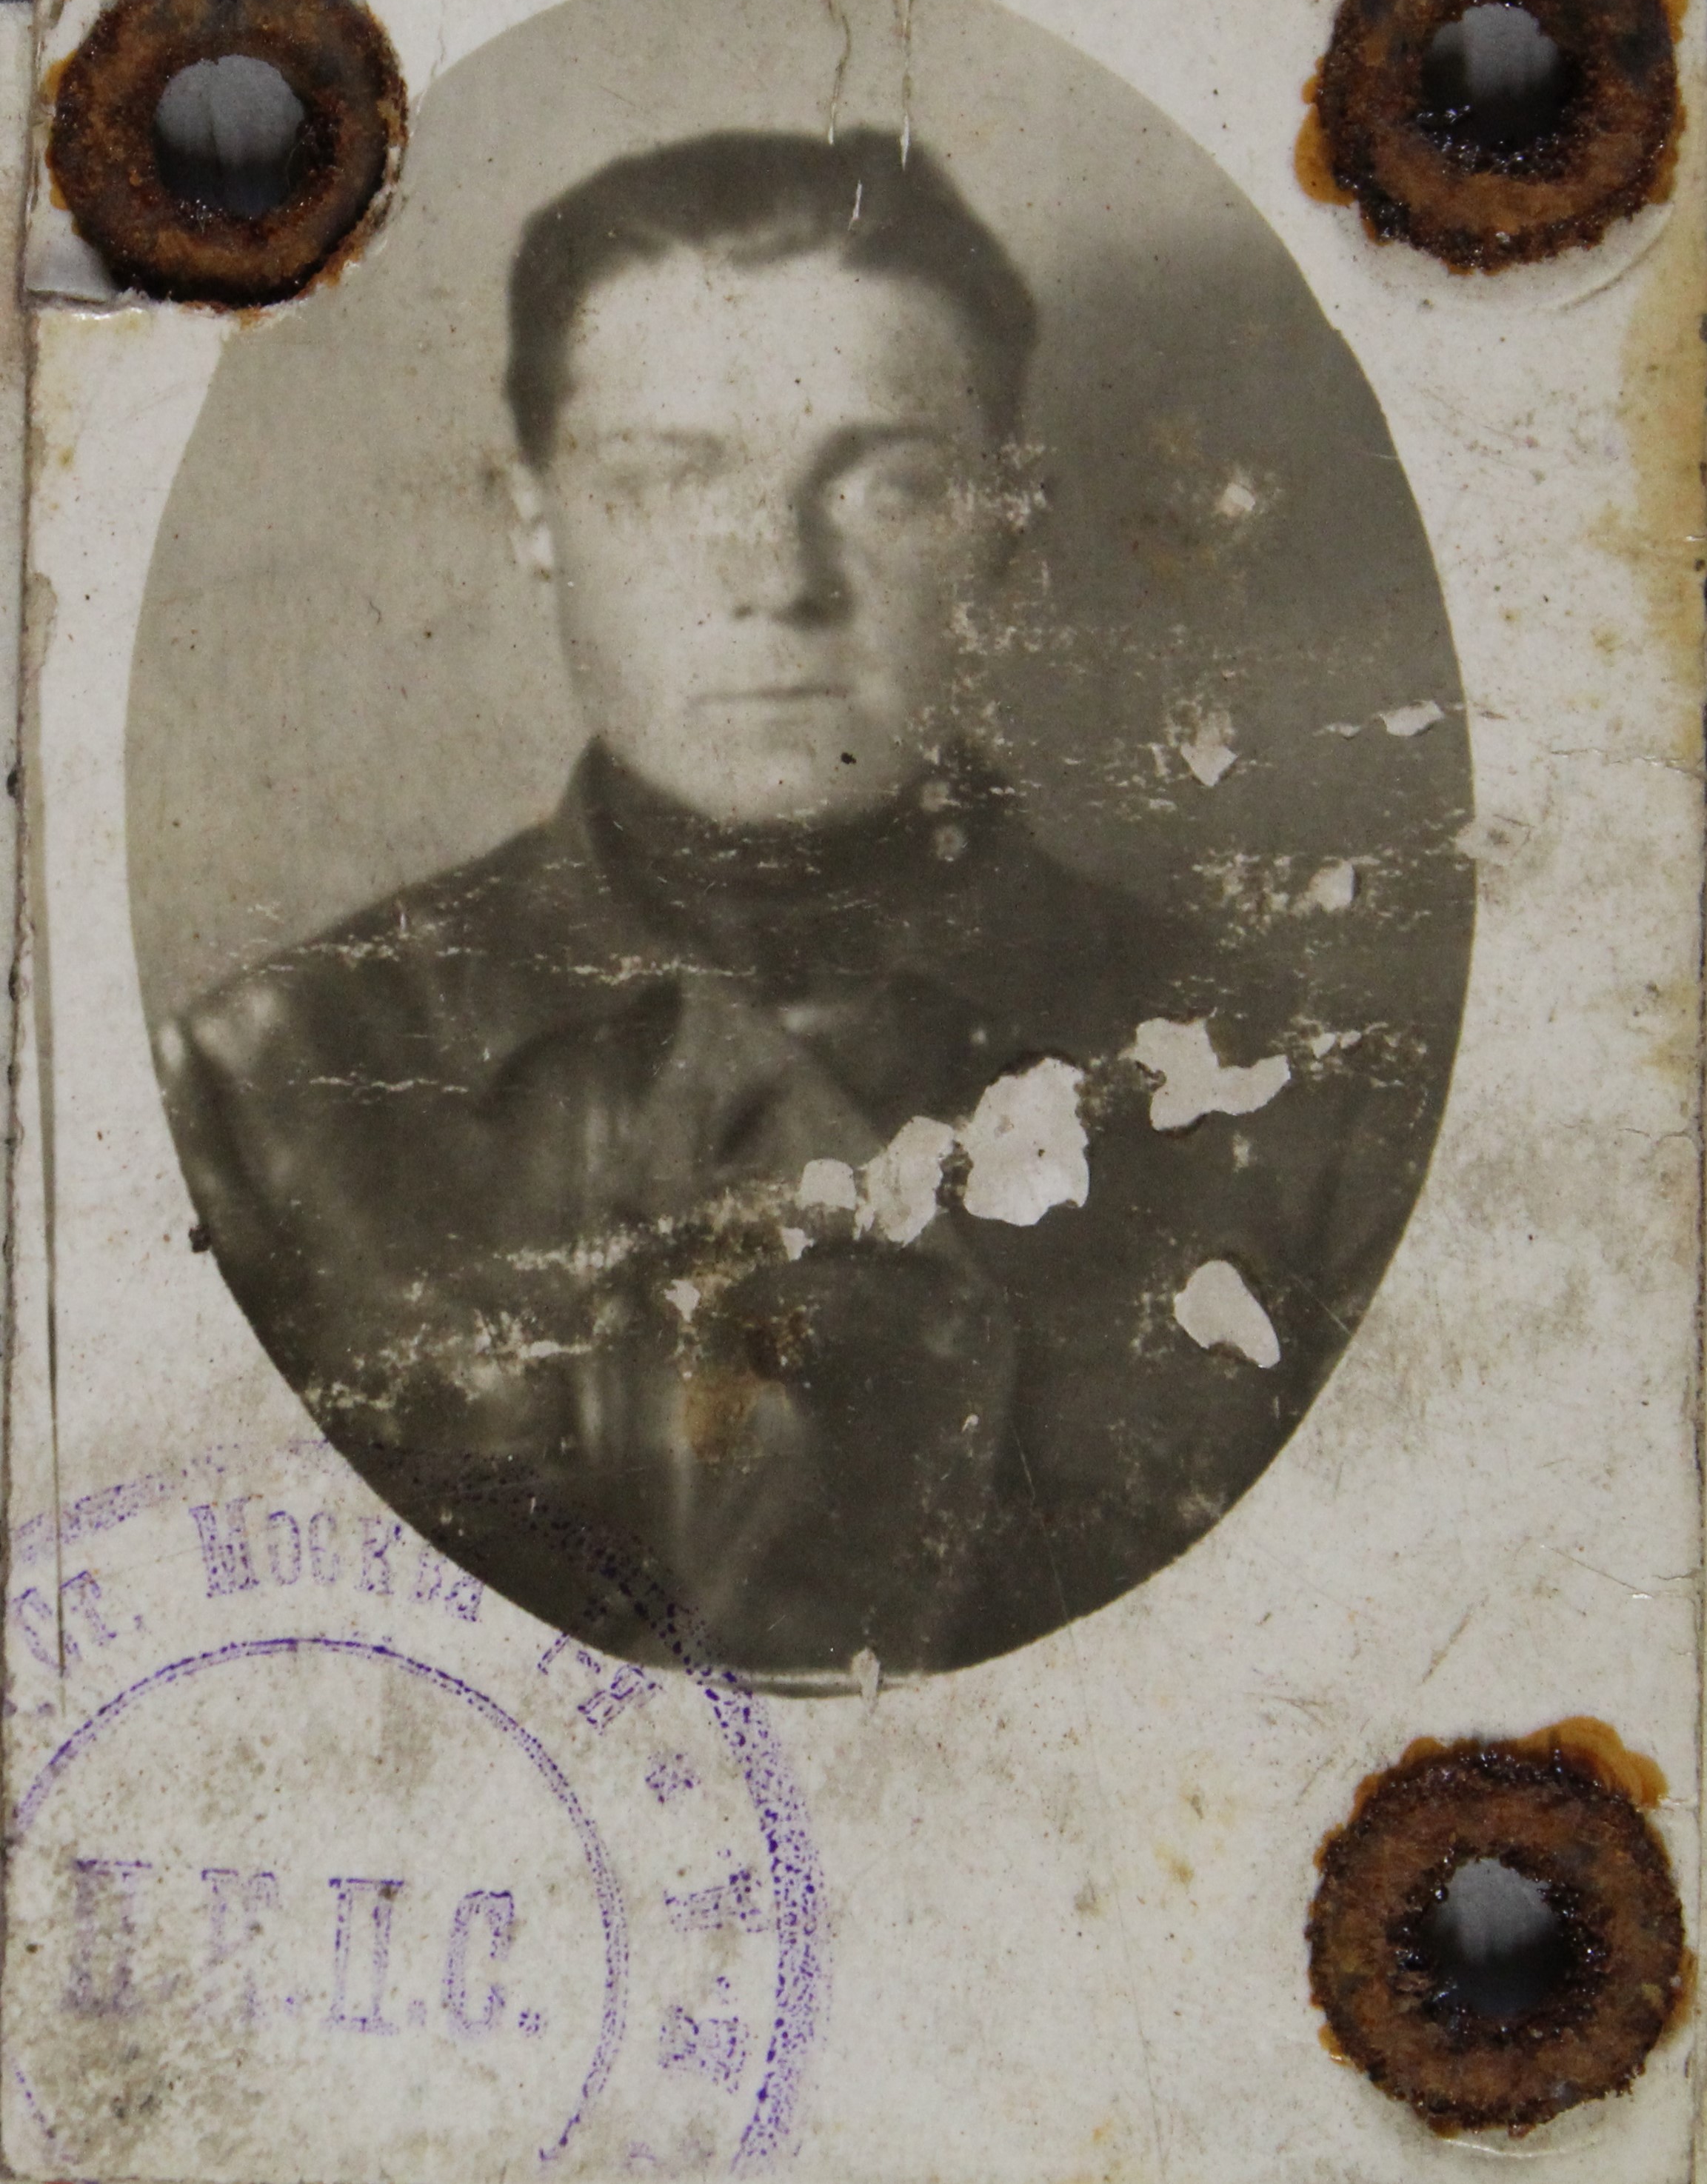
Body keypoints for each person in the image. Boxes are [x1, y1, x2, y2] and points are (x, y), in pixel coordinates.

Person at [157, 129, 1406, 1683]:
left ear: (1010, 521)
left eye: (887, 484)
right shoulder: (260, 1101)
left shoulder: (1306, 1109)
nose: (774, 577)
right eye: (661, 480)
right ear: (530, 514)